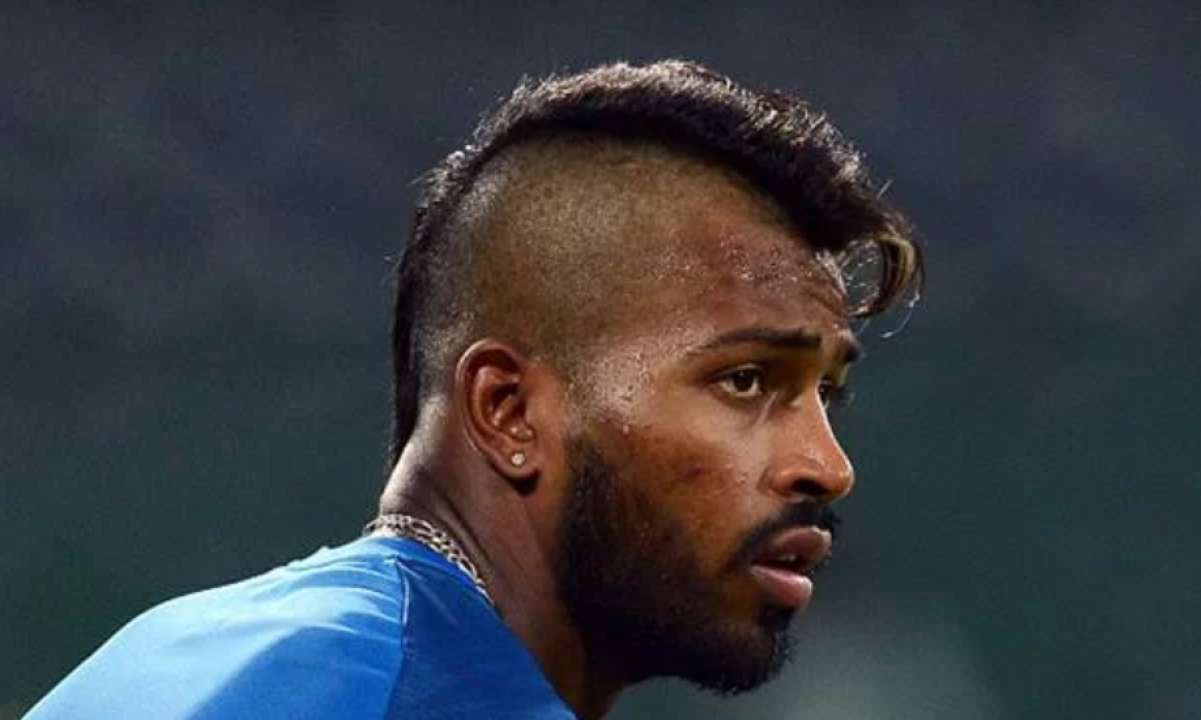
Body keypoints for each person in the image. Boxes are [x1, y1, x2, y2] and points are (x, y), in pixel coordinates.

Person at [25, 59, 922, 719]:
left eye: (825, 394)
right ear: (508, 411)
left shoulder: (221, 646)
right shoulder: (362, 699)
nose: (825, 465)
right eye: (745, 380)